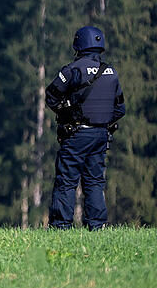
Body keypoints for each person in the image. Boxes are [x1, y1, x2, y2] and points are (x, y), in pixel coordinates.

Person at [46, 26, 125, 230]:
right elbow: (120, 108)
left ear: (78, 44)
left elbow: (51, 96)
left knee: (67, 180)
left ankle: (61, 226)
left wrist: (68, 115)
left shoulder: (73, 70)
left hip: (77, 134)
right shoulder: (111, 72)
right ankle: (97, 227)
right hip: (101, 135)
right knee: (95, 182)